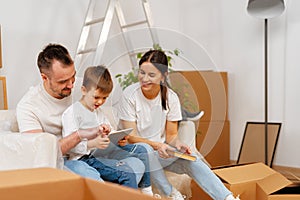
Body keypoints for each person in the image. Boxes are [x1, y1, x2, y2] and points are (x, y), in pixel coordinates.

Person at [118, 49, 240, 200]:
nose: (144, 78)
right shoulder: (130, 95)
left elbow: (171, 136)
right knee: (147, 151)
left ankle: (227, 198)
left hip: (159, 153)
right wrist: (157, 145)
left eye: (151, 75)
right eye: (142, 72)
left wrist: (178, 144)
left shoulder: (171, 98)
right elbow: (131, 137)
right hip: (134, 153)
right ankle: (172, 194)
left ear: (163, 76)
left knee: (192, 159)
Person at [16, 43, 145, 184]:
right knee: (93, 180)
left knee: (137, 164)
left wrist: (112, 137)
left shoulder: (82, 87)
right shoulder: (28, 106)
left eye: (73, 76)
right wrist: (79, 135)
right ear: (45, 78)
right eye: (63, 81)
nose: (71, 85)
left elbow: (99, 115)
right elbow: (40, 153)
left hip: (93, 154)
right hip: (64, 161)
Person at [61, 65, 153, 193]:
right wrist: (92, 143)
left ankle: (147, 192)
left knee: (142, 150)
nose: (100, 102)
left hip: (104, 152)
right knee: (127, 173)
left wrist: (118, 137)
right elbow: (70, 146)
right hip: (85, 158)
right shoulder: (71, 113)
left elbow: (110, 132)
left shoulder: (98, 112)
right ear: (83, 90)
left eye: (104, 98)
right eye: (96, 97)